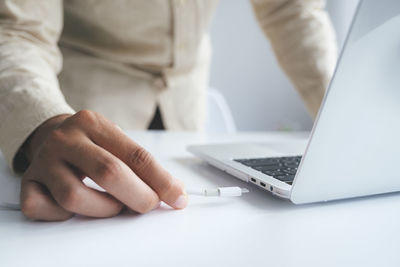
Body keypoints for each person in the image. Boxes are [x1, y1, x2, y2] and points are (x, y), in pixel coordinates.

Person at [0, 0, 337, 221]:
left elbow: (290, 8)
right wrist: (44, 123)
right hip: (81, 123)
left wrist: (341, 119)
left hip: (189, 113)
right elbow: (16, 31)